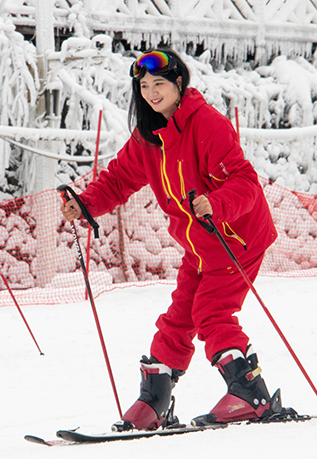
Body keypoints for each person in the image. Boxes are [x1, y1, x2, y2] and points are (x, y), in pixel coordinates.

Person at [60, 47, 284, 430]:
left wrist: (215, 203)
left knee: (211, 314)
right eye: (144, 86)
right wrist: (85, 205)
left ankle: (252, 396)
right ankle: (156, 399)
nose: (151, 92)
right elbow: (118, 179)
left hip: (234, 236)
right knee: (178, 319)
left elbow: (245, 181)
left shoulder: (206, 124)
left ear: (179, 84)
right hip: (199, 245)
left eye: (159, 83)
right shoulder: (149, 137)